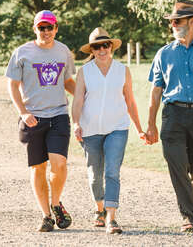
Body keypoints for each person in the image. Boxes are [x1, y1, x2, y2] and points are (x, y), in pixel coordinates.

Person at [146, 0, 193, 232]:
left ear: (192, 21)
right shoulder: (163, 54)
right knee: (177, 165)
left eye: (177, 20)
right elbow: (156, 90)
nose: (173, 24)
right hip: (173, 115)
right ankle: (189, 216)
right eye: (171, 21)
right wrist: (150, 123)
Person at [5, 10, 76, 232]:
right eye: (41, 27)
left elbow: (67, 82)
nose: (46, 31)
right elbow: (12, 85)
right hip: (33, 117)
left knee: (60, 164)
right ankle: (46, 215)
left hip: (58, 115)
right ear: (35, 29)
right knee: (38, 168)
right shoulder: (22, 53)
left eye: (50, 27)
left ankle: (56, 203)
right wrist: (24, 112)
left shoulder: (63, 51)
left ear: (56, 28)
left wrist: (87, 97)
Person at [72, 27, 145, 234]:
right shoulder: (84, 72)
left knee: (112, 171)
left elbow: (130, 100)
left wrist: (139, 128)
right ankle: (99, 208)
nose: (102, 49)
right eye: (97, 46)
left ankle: (111, 218)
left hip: (117, 128)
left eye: (105, 45)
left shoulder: (123, 70)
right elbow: (77, 101)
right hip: (90, 129)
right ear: (92, 51)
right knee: (95, 173)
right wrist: (76, 123)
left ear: (111, 47)